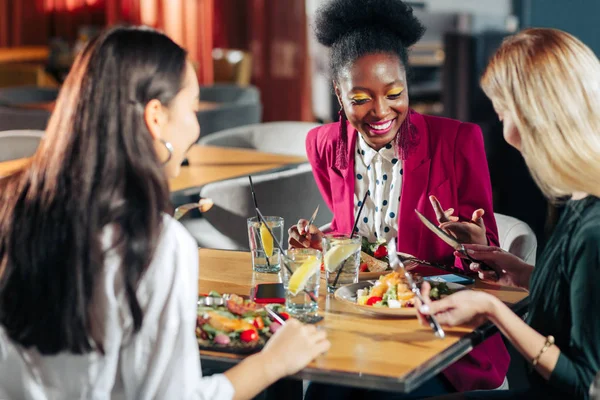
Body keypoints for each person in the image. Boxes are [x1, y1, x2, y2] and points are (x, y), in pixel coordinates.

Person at [0, 26, 329, 400]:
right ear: (155, 117)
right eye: (192, 108)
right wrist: (272, 363)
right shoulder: (153, 243)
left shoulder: (12, 207)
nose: (197, 126)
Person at [296, 0, 509, 398]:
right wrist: (323, 245)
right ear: (338, 95)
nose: (381, 111)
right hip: (356, 321)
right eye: (360, 98)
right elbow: (349, 233)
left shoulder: (458, 142)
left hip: (436, 330)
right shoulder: (323, 145)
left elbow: (491, 274)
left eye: (395, 93)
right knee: (313, 390)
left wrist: (474, 244)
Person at [416, 28, 600, 400]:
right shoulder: (579, 198)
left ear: (537, 114)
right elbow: (578, 297)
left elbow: (585, 384)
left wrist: (491, 309)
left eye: (503, 112)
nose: (503, 128)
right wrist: (520, 272)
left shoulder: (593, 229)